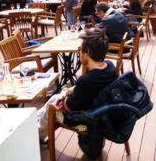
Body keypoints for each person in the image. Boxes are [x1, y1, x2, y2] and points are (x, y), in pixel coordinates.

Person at [37, 28, 118, 157]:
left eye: (80, 49)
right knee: (52, 102)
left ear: (88, 53)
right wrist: (71, 89)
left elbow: (69, 107)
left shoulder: (86, 80)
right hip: (103, 112)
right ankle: (36, 121)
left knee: (51, 105)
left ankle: (34, 135)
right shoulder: (110, 66)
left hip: (86, 120)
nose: (79, 52)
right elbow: (88, 87)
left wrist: (64, 97)